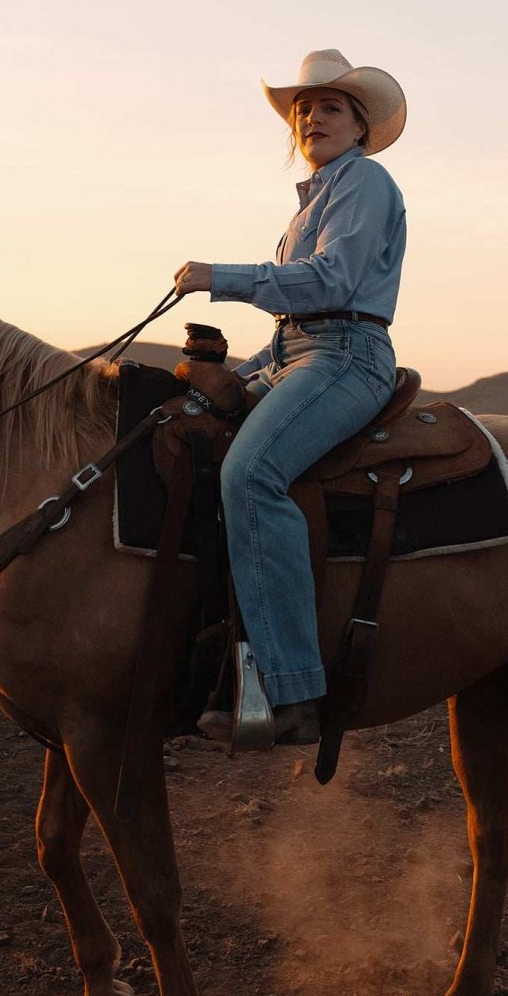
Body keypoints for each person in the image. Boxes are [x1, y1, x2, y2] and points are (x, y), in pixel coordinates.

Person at [174, 48, 407, 744]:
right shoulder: (311, 202)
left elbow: (332, 283)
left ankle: (293, 689)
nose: (312, 117)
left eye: (330, 106)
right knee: (183, 428)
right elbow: (290, 328)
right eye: (304, 109)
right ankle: (212, 652)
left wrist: (225, 275)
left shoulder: (365, 181)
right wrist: (232, 374)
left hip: (347, 355)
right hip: (294, 354)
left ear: (360, 125)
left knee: (252, 474)